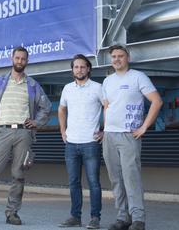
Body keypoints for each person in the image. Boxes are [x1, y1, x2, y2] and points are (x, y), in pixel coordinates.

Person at [0, 46, 52, 226]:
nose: (20, 62)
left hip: (23, 133)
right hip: (2, 132)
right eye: (17, 58)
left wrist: (37, 122)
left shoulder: (32, 85)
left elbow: (46, 107)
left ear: (27, 61)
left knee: (18, 175)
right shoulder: (0, 82)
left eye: (23, 59)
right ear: (12, 59)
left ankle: (12, 213)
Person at [102, 45, 163, 230]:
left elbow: (157, 101)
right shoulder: (107, 81)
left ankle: (138, 219)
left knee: (131, 178)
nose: (117, 59)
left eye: (120, 56)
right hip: (109, 135)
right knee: (116, 179)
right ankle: (123, 217)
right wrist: (104, 129)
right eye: (113, 56)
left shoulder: (138, 77)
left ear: (127, 57)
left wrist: (144, 126)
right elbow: (107, 107)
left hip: (129, 135)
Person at [57, 54, 104, 229]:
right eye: (76, 67)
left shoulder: (98, 88)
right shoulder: (67, 88)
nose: (79, 70)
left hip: (90, 143)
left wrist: (104, 130)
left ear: (88, 69)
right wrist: (63, 131)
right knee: (73, 182)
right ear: (72, 70)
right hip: (71, 143)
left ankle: (95, 218)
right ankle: (75, 217)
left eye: (82, 67)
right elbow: (61, 110)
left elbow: (109, 107)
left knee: (93, 182)